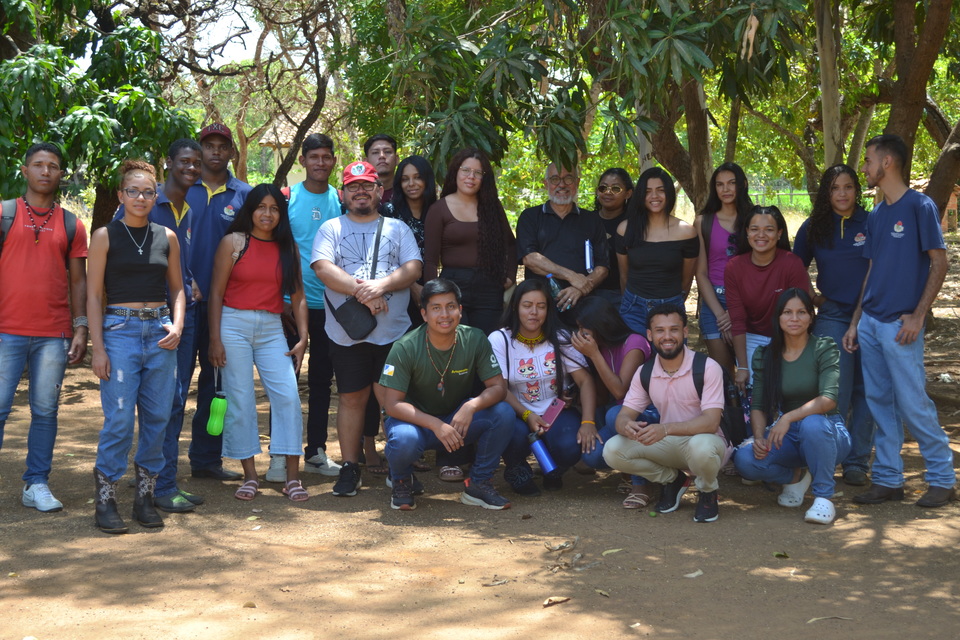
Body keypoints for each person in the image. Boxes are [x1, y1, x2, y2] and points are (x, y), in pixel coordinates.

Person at [844, 134, 956, 508]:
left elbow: (940, 262)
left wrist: (918, 315)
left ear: (887, 162)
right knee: (880, 403)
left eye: (868, 160)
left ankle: (943, 479)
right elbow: (872, 270)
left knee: (913, 403)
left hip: (901, 326)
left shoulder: (920, 206)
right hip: (872, 323)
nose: (864, 168)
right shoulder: (878, 213)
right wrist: (856, 321)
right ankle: (889, 480)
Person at [312, 160, 422, 497]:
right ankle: (350, 467)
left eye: (366, 185)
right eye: (353, 186)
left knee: (393, 400)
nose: (360, 191)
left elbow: (414, 268)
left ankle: (399, 467)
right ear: (343, 193)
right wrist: (364, 292)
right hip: (347, 333)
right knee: (351, 398)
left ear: (379, 190)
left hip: (394, 333)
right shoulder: (331, 228)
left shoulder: (397, 228)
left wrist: (381, 286)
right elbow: (323, 268)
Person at [87, 160, 186, 533]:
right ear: (121, 195)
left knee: (158, 417)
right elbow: (93, 295)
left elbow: (177, 288)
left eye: (147, 192)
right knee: (119, 419)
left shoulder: (167, 236)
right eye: (133, 191)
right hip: (120, 331)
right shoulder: (105, 236)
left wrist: (178, 324)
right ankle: (106, 500)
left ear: (155, 196)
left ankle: (145, 497)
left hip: (160, 332)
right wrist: (98, 348)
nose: (140, 198)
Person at [112, 138, 205, 513]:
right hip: (145, 321)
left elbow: (173, 263)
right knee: (155, 405)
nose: (191, 168)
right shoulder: (145, 201)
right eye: (184, 161)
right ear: (168, 163)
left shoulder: (188, 209)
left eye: (196, 163)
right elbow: (120, 257)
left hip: (182, 317)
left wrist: (189, 280)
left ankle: (161, 479)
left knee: (175, 400)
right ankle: (158, 485)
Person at [0, 142, 88, 513]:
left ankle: (36, 483)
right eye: (38, 164)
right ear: (25, 171)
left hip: (54, 333)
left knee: (45, 411)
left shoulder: (71, 224)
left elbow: (78, 281)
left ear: (61, 174)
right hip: (6, 330)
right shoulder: (4, 213)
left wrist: (80, 326)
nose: (46, 171)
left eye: (53, 166)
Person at [207, 184, 309, 502]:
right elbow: (215, 294)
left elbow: (298, 296)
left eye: (274, 208)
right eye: (261, 207)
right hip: (232, 324)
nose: (267, 214)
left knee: (288, 397)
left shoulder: (288, 248)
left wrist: (303, 337)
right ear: (250, 210)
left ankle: (292, 477)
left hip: (271, 327)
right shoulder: (234, 242)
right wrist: (214, 338)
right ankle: (250, 476)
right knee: (240, 400)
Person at [380, 279, 515, 510]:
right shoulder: (405, 347)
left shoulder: (475, 338)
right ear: (424, 314)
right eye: (436, 308)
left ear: (460, 310)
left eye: (450, 306)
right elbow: (392, 405)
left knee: (503, 413)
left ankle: (479, 483)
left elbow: (498, 388)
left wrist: (471, 406)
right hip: (416, 423)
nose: (445, 314)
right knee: (404, 439)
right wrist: (435, 424)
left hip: (456, 421)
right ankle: (401, 479)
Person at [734, 289, 851, 524]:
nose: (794, 318)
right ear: (778, 317)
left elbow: (829, 399)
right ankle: (795, 477)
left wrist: (787, 417)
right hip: (789, 435)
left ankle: (823, 497)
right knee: (745, 459)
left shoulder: (824, 347)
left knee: (812, 423)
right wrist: (759, 437)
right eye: (787, 312)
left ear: (811, 317)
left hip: (828, 430)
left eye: (801, 312)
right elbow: (758, 404)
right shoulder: (765, 355)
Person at [602, 303, 727, 523]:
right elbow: (624, 414)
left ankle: (707, 491)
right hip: (669, 443)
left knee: (701, 446)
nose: (667, 336)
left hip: (707, 443)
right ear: (650, 335)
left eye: (674, 329)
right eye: (660, 330)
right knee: (612, 450)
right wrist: (625, 425)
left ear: (685, 332)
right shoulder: (645, 372)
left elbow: (711, 422)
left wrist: (665, 429)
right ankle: (672, 480)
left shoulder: (707, 367)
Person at [264, 133, 342, 485]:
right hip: (288, 306)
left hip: (330, 306)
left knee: (323, 381)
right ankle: (279, 454)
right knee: (284, 382)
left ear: (334, 161)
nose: (320, 163)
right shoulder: (286, 198)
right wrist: (278, 297)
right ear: (303, 160)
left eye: (326, 157)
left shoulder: (340, 199)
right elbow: (272, 248)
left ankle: (316, 452)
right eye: (315, 157)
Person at [793, 164, 875, 487]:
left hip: (872, 316)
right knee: (835, 390)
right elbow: (795, 267)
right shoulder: (814, 226)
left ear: (857, 190)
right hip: (833, 315)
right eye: (835, 188)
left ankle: (856, 463)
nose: (842, 194)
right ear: (826, 193)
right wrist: (813, 297)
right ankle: (830, 456)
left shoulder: (871, 222)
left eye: (848, 187)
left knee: (867, 390)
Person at [186, 123, 251, 481]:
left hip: (226, 309)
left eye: (221, 146)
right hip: (180, 304)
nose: (215, 151)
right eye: (208, 145)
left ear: (231, 152)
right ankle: (155, 463)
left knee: (215, 389)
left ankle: (206, 459)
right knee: (169, 388)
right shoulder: (182, 188)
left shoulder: (244, 195)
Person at [492, 279, 598, 496]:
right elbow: (499, 388)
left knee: (569, 445)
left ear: (548, 310)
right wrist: (527, 414)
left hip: (556, 412)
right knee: (512, 434)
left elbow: (585, 381)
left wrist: (588, 422)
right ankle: (517, 468)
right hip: (517, 414)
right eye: (527, 305)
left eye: (541, 306)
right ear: (515, 307)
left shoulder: (560, 338)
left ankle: (554, 468)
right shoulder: (500, 339)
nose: (534, 312)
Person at [424, 148, 516, 336]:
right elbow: (430, 260)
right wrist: (433, 296)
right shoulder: (439, 209)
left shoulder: (492, 207)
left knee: (487, 343)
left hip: (489, 287)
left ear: (484, 178)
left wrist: (510, 276)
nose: (471, 177)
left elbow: (511, 244)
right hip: (452, 286)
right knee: (458, 343)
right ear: (456, 172)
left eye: (477, 173)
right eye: (465, 170)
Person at [570, 296, 653, 507]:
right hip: (620, 417)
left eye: (584, 329)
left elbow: (619, 390)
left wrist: (594, 355)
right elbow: (600, 397)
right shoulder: (601, 347)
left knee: (614, 415)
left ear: (600, 325)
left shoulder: (634, 343)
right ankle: (628, 471)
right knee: (591, 455)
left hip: (648, 415)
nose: (581, 334)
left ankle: (640, 484)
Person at [724, 205, 811, 391]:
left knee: (789, 390)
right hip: (751, 337)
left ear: (779, 233)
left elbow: (802, 314)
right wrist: (742, 367)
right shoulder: (734, 267)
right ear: (747, 232)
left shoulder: (792, 263)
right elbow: (737, 319)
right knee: (756, 391)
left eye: (769, 230)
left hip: (788, 336)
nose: (761, 235)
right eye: (755, 229)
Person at [515, 163, 609, 315]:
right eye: (555, 179)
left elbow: (602, 267)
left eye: (568, 178)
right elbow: (530, 259)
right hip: (540, 305)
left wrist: (580, 288)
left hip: (582, 305)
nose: (562, 184)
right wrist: (571, 276)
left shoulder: (592, 220)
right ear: (546, 184)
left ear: (577, 182)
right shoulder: (530, 217)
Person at [616, 167, 699, 335]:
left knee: (670, 352)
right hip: (633, 308)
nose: (654, 196)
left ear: (669, 193)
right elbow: (624, 275)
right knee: (634, 351)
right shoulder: (625, 229)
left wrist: (673, 303)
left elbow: (687, 279)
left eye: (660, 190)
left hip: (671, 308)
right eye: (648, 191)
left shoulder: (687, 232)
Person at [694, 163, 754, 373]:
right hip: (714, 303)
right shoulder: (702, 222)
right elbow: (701, 273)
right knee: (723, 376)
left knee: (750, 372)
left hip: (749, 301)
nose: (725, 189)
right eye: (720, 184)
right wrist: (722, 315)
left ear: (742, 184)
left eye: (731, 183)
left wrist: (735, 313)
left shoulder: (755, 219)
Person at [391, 154, 438, 314]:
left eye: (417, 177)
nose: (411, 184)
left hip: (434, 288)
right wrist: (414, 287)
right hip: (397, 289)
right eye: (405, 179)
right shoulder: (389, 212)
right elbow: (387, 257)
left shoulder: (437, 211)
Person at [592, 168, 634, 308]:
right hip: (588, 293)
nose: (608, 192)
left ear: (628, 193)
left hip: (622, 295)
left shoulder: (633, 224)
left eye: (615, 189)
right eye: (603, 188)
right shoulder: (586, 220)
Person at [364, 134, 399, 203]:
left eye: (387, 152)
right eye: (375, 152)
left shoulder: (408, 191)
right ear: (366, 162)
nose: (382, 156)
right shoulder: (359, 194)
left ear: (397, 159)